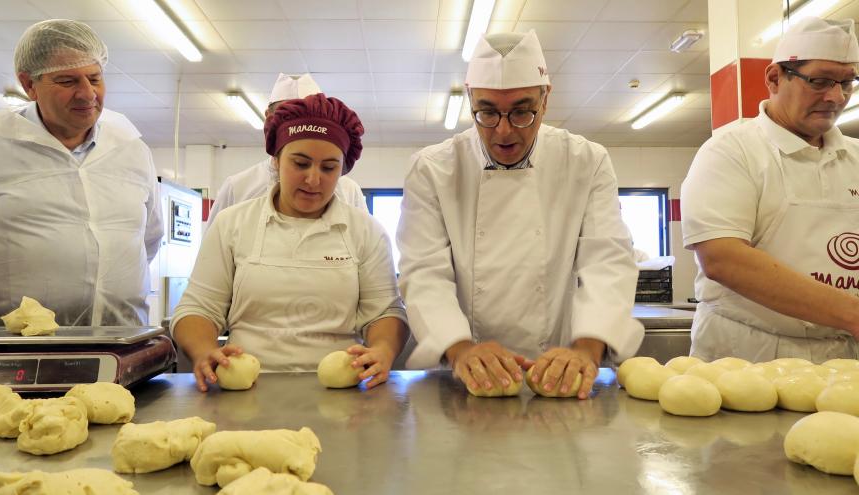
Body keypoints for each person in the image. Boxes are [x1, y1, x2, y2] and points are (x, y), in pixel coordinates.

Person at [397, 30, 643, 399]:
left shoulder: (585, 160)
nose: (505, 130)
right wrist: (461, 348)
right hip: (465, 378)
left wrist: (586, 351)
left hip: (560, 374)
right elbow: (423, 271)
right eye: (488, 113)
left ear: (546, 101)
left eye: (522, 111)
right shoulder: (433, 168)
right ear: (469, 102)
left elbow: (606, 261)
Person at [173, 94, 408, 391]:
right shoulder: (232, 224)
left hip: (343, 394)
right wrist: (203, 349)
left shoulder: (366, 231)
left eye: (328, 168)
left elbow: (385, 311)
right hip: (244, 391)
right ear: (276, 160)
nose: (313, 180)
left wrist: (383, 350)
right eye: (300, 163)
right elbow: (198, 307)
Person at [681, 17, 859, 363]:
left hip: (844, 355)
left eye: (848, 82)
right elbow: (723, 258)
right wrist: (851, 312)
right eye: (819, 81)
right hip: (748, 355)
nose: (836, 96)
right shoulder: (732, 151)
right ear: (774, 78)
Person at [0, 19, 163, 327]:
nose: (87, 94)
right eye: (67, 81)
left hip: (119, 342)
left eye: (94, 78)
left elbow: (149, 239)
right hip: (9, 352)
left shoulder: (130, 148)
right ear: (28, 85)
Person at [207, 73, 367, 224]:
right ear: (269, 118)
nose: (312, 180)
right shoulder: (238, 187)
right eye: (286, 116)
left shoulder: (348, 191)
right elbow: (213, 248)